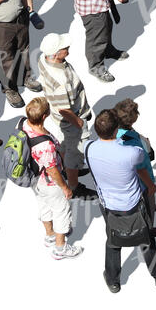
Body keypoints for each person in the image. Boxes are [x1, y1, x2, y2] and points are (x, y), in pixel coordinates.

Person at [86, 109, 156, 293]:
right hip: (134, 205)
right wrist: (151, 187)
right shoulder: (132, 152)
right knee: (146, 238)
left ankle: (113, 280)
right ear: (116, 129)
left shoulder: (89, 148)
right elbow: (142, 163)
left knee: (113, 240)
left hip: (107, 205)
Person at [37, 32, 98, 200]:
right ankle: (74, 184)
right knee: (76, 152)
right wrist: (78, 121)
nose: (68, 48)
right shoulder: (60, 81)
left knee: (66, 144)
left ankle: (66, 167)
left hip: (60, 118)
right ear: (56, 54)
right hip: (71, 118)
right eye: (64, 47)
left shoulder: (43, 59)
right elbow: (65, 109)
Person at [23, 97, 84, 260]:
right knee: (62, 212)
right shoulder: (45, 146)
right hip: (49, 184)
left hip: (35, 179)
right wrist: (65, 187)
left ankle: (50, 235)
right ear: (44, 116)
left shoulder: (24, 125)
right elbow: (52, 170)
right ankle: (60, 247)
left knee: (44, 207)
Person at [114, 98, 156, 235]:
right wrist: (151, 185)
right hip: (142, 181)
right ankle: (149, 228)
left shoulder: (117, 132)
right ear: (133, 118)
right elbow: (139, 168)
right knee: (148, 200)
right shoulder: (130, 142)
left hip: (131, 178)